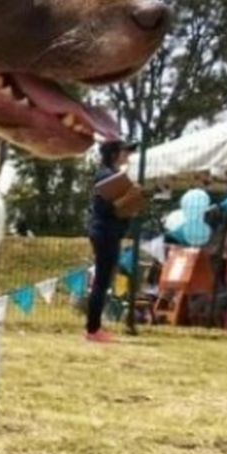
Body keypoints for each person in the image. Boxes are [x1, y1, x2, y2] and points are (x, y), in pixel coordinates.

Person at [83, 139, 140, 343]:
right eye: (125, 151)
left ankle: (93, 327)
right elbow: (107, 209)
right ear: (115, 154)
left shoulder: (110, 176)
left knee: (103, 280)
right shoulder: (107, 177)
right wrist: (131, 196)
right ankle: (93, 329)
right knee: (101, 281)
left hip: (109, 232)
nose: (128, 155)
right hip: (105, 232)